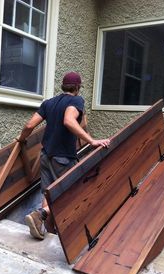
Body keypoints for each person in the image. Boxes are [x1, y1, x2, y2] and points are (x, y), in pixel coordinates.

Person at [17, 72, 110, 240]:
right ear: (77, 87)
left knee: (48, 193)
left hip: (46, 156)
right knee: (69, 193)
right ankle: (40, 214)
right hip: (64, 158)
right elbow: (69, 120)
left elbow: (30, 125)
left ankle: (47, 230)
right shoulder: (77, 100)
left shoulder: (49, 103)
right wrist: (92, 141)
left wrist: (21, 139)